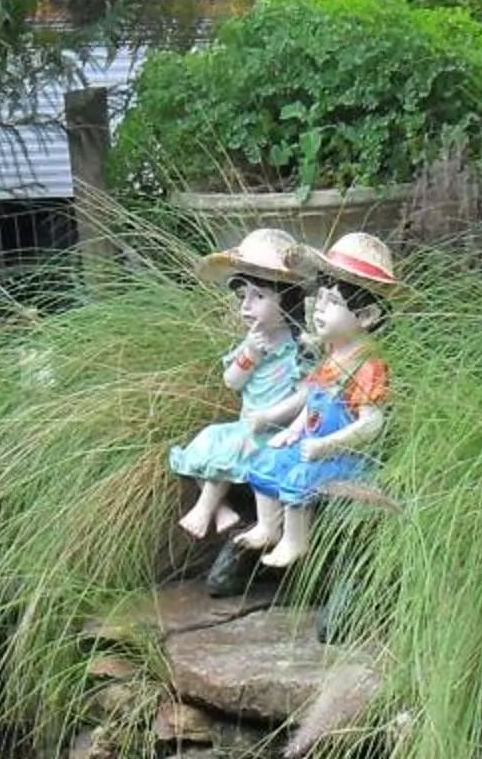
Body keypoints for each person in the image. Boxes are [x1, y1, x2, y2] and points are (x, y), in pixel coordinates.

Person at [236, 232, 396, 570]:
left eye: (333, 302)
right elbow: (314, 402)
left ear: (366, 316)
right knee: (267, 459)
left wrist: (326, 445)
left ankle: (297, 542)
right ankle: (268, 526)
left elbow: (371, 424)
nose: (320, 309)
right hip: (311, 441)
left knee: (298, 477)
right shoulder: (331, 357)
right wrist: (292, 431)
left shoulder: (368, 366)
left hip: (345, 458)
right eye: (319, 299)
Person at [167, 228, 311, 540]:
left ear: (287, 300)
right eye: (242, 296)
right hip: (245, 425)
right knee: (206, 443)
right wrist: (250, 355)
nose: (246, 306)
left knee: (235, 448)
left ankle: (205, 511)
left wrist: (270, 417)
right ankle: (222, 511)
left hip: (274, 432)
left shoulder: (298, 349)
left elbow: (305, 396)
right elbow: (232, 382)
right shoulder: (252, 342)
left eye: (258, 296)